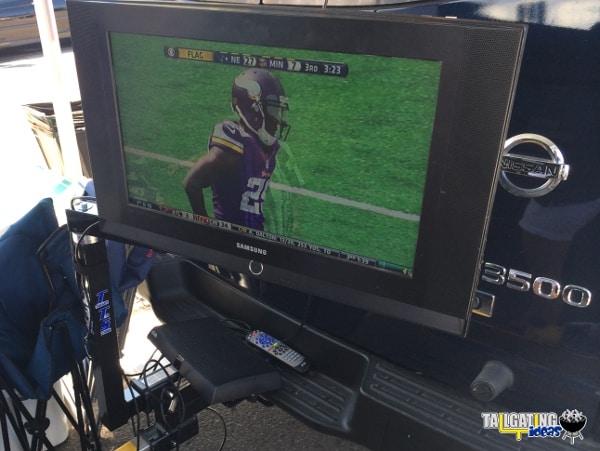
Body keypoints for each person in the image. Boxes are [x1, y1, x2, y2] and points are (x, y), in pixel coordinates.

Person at [183, 68, 290, 231]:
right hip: (229, 237)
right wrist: (206, 227)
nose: (278, 120)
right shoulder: (233, 147)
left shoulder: (268, 147)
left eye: (279, 111)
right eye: (273, 111)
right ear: (252, 109)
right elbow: (192, 183)